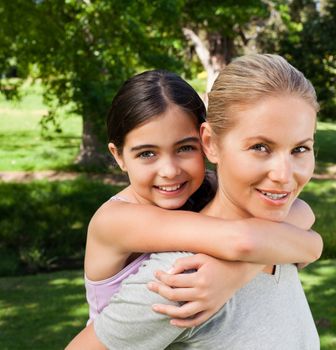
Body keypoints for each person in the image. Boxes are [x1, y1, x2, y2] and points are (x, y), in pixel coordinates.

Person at [66, 66, 322, 348]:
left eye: (185, 148)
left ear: (202, 144)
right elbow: (241, 240)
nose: (169, 171)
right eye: (147, 153)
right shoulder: (129, 232)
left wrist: (234, 275)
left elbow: (302, 215)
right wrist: (305, 245)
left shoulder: (215, 194)